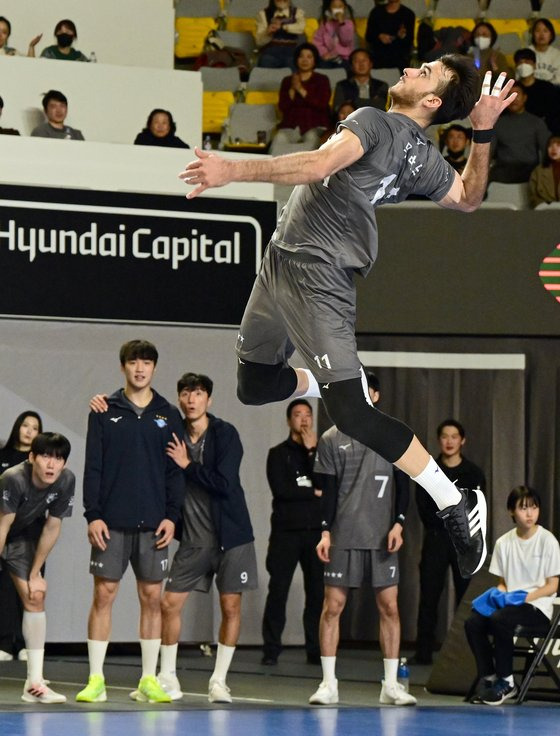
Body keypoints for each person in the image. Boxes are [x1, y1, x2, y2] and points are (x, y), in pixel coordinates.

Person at [179, 58, 517, 583]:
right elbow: (470, 197)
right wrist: (483, 132)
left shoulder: (374, 121)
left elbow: (318, 166)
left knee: (353, 416)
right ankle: (327, 378)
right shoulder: (419, 155)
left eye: (424, 71)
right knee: (253, 384)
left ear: (431, 102)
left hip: (319, 278)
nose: (409, 67)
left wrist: (233, 169)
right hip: (280, 263)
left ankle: (454, 501)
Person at [76, 340, 185, 705]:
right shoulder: (104, 410)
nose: (140, 369)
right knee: (103, 595)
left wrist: (172, 516)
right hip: (111, 522)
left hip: (155, 523)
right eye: (134, 362)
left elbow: (175, 470)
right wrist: (93, 514)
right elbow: (94, 466)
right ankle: (95, 679)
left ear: (154, 368)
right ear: (123, 366)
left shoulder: (168, 414)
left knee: (152, 598)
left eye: (147, 363)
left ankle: (149, 680)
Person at [309, 371, 416, 706]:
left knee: (389, 607)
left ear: (376, 395)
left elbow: (406, 483)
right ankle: (328, 684)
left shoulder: (393, 436)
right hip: (343, 536)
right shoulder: (330, 437)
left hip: (383, 538)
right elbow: (326, 492)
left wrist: (399, 523)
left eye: (366, 389)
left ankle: (390, 686)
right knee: (333, 607)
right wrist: (325, 530)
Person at [159, 372, 257, 703]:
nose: (191, 399)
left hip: (232, 535)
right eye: (185, 393)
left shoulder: (225, 434)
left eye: (198, 393)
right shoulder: (172, 436)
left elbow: (225, 483)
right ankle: (168, 676)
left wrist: (187, 465)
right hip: (194, 539)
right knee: (169, 603)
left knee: (230, 606)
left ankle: (219, 680)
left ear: (208, 400)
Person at [465, 485, 560, 705]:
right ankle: (489, 678)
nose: (530, 514)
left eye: (534, 508)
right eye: (523, 508)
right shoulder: (503, 543)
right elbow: (504, 584)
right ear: (511, 512)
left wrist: (524, 598)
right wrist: (493, 598)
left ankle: (507, 682)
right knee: (474, 622)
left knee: (500, 619)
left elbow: (553, 585)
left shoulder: (548, 541)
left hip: (537, 608)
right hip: (510, 605)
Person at [0, 432, 74, 703]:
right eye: (45, 456)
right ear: (31, 458)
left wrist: (35, 573)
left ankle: (34, 684)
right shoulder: (13, 478)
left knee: (35, 594)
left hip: (21, 536)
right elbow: (2, 526)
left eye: (58, 458)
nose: (51, 464)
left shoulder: (66, 481)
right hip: (2, 528)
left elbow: (53, 526)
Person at [412, 419, 486, 666]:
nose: (450, 441)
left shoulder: (474, 473)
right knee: (429, 595)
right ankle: (423, 651)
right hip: (436, 539)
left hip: (464, 542)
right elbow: (423, 507)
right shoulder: (429, 470)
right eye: (445, 436)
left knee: (466, 598)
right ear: (439, 439)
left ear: (462, 440)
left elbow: (476, 508)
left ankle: (466, 653)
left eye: (455, 436)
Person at [261, 399, 323, 666]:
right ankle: (271, 649)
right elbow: (282, 491)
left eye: (308, 415)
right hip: (286, 533)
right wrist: (312, 492)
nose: (304, 420)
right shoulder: (278, 453)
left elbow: (327, 488)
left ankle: (315, 649)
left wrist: (312, 453)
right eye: (298, 415)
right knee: (278, 591)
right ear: (289, 421)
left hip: (315, 534)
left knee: (317, 594)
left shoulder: (322, 454)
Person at [0, 411, 43, 662]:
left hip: (33, 531)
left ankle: (27, 644)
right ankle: (6, 642)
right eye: (25, 425)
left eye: (34, 427)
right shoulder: (3, 457)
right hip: (6, 530)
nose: (28, 430)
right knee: (5, 587)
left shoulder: (39, 461)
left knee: (31, 587)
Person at [270, 43, 331, 155]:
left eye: (309, 57)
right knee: (279, 138)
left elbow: (322, 104)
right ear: (296, 60)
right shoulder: (287, 81)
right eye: (301, 56)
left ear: (314, 60)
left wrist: (300, 89)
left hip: (314, 126)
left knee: (312, 138)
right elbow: (283, 107)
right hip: (291, 126)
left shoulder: (322, 80)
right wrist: (292, 91)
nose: (304, 60)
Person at [490, 81, 550, 183]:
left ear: (525, 98)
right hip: (503, 170)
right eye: (509, 95)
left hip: (530, 170)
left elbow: (546, 151)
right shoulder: (496, 123)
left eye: (517, 95)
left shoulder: (537, 122)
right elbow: (488, 152)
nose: (513, 99)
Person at [514, 48, 560, 136]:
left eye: (527, 62)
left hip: (546, 129)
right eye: (520, 62)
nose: (524, 65)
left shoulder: (547, 87)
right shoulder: (513, 89)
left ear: (534, 65)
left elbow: (555, 112)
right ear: (516, 66)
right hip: (520, 130)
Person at [332, 48, 389, 113]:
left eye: (364, 60)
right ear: (351, 66)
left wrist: (353, 102)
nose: (361, 64)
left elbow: (381, 107)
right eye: (356, 61)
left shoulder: (381, 85)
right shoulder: (342, 85)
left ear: (371, 64)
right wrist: (372, 102)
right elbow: (337, 109)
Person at [365, 0, 415, 71]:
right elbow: (368, 36)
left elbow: (409, 40)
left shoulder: (408, 14)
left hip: (399, 57)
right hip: (378, 55)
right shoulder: (376, 12)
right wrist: (379, 36)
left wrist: (403, 36)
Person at [256, 0, 306, 69]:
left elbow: (301, 28)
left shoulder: (297, 12)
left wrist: (283, 27)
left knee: (294, 62)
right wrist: (267, 33)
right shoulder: (263, 14)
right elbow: (258, 42)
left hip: (291, 52)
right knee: (265, 61)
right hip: (270, 52)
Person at [313, 0, 355, 69]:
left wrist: (341, 23)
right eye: (334, 6)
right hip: (327, 56)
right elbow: (317, 41)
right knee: (322, 66)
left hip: (344, 57)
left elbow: (346, 41)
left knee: (344, 68)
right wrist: (324, 53)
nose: (337, 9)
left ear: (344, 8)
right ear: (329, 9)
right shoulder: (325, 24)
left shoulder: (348, 23)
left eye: (340, 6)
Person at [529, 134, 560, 208]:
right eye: (550, 145)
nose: (553, 149)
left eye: (558, 145)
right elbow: (533, 197)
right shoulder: (538, 171)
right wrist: (545, 206)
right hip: (545, 211)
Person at [530, 17, 560, 86]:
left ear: (551, 35)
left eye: (545, 31)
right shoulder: (527, 53)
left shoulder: (557, 55)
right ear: (533, 35)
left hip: (553, 90)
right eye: (537, 31)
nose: (541, 34)